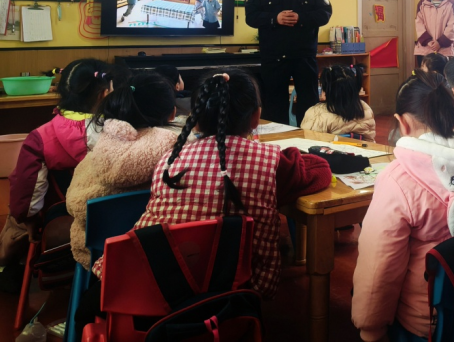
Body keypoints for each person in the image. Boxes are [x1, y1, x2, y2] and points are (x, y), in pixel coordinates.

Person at [89, 68, 331, 299]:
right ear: (256, 117)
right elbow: (320, 170)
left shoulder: (169, 160)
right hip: (236, 290)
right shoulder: (271, 162)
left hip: (149, 285)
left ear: (195, 121)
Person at [351, 71, 454, 341]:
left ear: (402, 123)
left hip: (433, 322)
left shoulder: (398, 178)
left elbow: (380, 266)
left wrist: (371, 328)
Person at [1, 60, 112, 267]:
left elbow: (28, 190)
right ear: (105, 93)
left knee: (16, 212)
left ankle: (10, 265)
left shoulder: (39, 137)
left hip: (64, 218)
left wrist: (28, 219)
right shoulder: (122, 131)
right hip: (115, 218)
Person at [66, 71, 178, 270]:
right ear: (172, 113)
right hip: (158, 255)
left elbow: (74, 204)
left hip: (98, 254)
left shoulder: (95, 156)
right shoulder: (177, 155)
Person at [245, 0, 333, 125]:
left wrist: (301, 18)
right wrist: (274, 18)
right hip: (273, 57)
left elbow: (325, 14)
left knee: (308, 104)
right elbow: (251, 17)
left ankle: (307, 139)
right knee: (273, 105)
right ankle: (276, 141)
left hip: (303, 57)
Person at [301, 65, 376, 141]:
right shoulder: (365, 108)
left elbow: (307, 141)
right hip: (364, 148)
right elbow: (369, 138)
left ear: (326, 91)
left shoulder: (315, 113)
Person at [414, 0, 454, 65]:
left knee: (443, 74)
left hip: (444, 50)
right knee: (425, 73)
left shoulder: (452, 4)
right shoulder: (422, 3)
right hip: (424, 50)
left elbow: (452, 26)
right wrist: (428, 41)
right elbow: (419, 24)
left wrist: (440, 43)